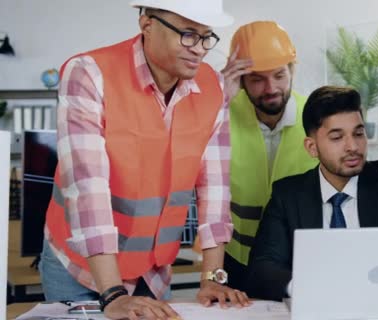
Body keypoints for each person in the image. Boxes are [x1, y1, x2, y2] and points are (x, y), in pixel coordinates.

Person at [40, 1, 250, 318]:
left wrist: (211, 277)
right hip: (80, 269)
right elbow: (87, 190)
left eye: (207, 37)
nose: (199, 49)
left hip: (151, 272)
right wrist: (112, 294)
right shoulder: (90, 74)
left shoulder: (213, 88)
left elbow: (215, 188)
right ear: (147, 24)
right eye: (188, 34)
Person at [246, 85, 378, 301]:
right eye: (337, 137)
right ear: (312, 147)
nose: (353, 146)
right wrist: (305, 289)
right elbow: (261, 269)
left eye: (359, 133)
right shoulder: (288, 195)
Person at [193, 21, 318, 291]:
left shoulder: (316, 117)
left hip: (299, 260)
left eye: (279, 75)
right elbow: (188, 169)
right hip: (234, 260)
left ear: (292, 71)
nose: (270, 88)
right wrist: (218, 102)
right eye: (257, 79)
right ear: (240, 79)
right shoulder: (219, 117)